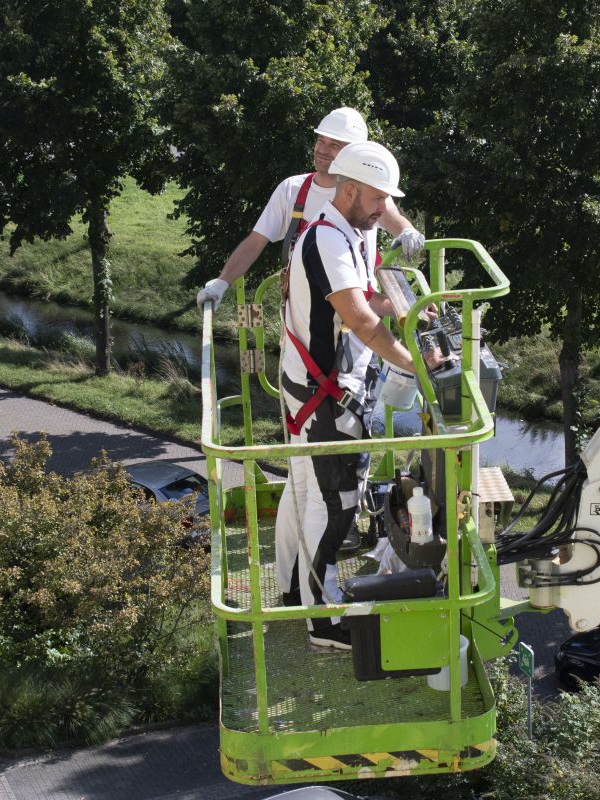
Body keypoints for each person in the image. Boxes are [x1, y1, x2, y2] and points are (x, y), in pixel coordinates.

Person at [276, 141, 427, 650]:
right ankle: (323, 623)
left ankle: (296, 593)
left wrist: (403, 308)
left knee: (308, 496)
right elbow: (359, 321)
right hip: (325, 396)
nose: (385, 209)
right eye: (378, 199)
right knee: (334, 505)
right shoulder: (326, 239)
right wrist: (414, 365)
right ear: (350, 191)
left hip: (317, 389)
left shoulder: (348, 231)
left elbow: (359, 301)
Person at [195, 107, 425, 310]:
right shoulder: (291, 189)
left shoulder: (367, 193)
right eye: (321, 141)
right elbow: (255, 242)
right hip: (304, 313)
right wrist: (222, 283)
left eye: (334, 145)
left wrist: (407, 230)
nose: (322, 150)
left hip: (359, 307)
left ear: (353, 154)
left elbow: (392, 216)